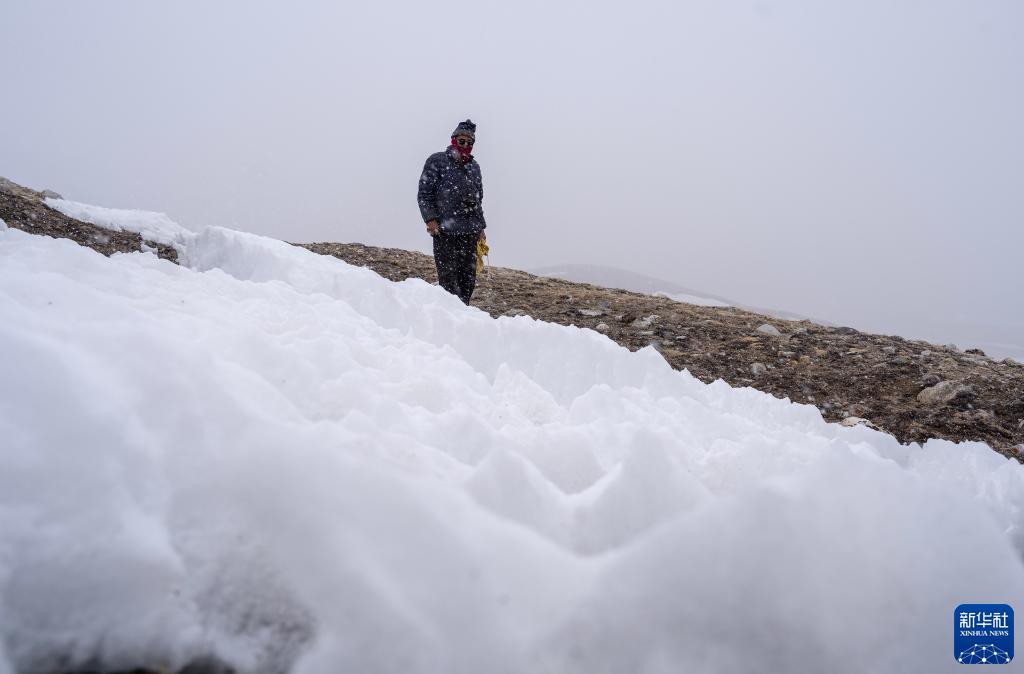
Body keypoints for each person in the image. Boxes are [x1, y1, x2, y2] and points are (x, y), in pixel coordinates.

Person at [417, 119, 487, 304]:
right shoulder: (437, 161)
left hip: (470, 232)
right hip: (445, 232)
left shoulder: (474, 167)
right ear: (453, 139)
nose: (466, 145)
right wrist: (430, 219)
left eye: (470, 142)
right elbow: (425, 194)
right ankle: (449, 319)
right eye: (462, 141)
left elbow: (478, 200)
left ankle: (463, 316)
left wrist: (481, 228)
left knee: (467, 281)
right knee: (448, 282)